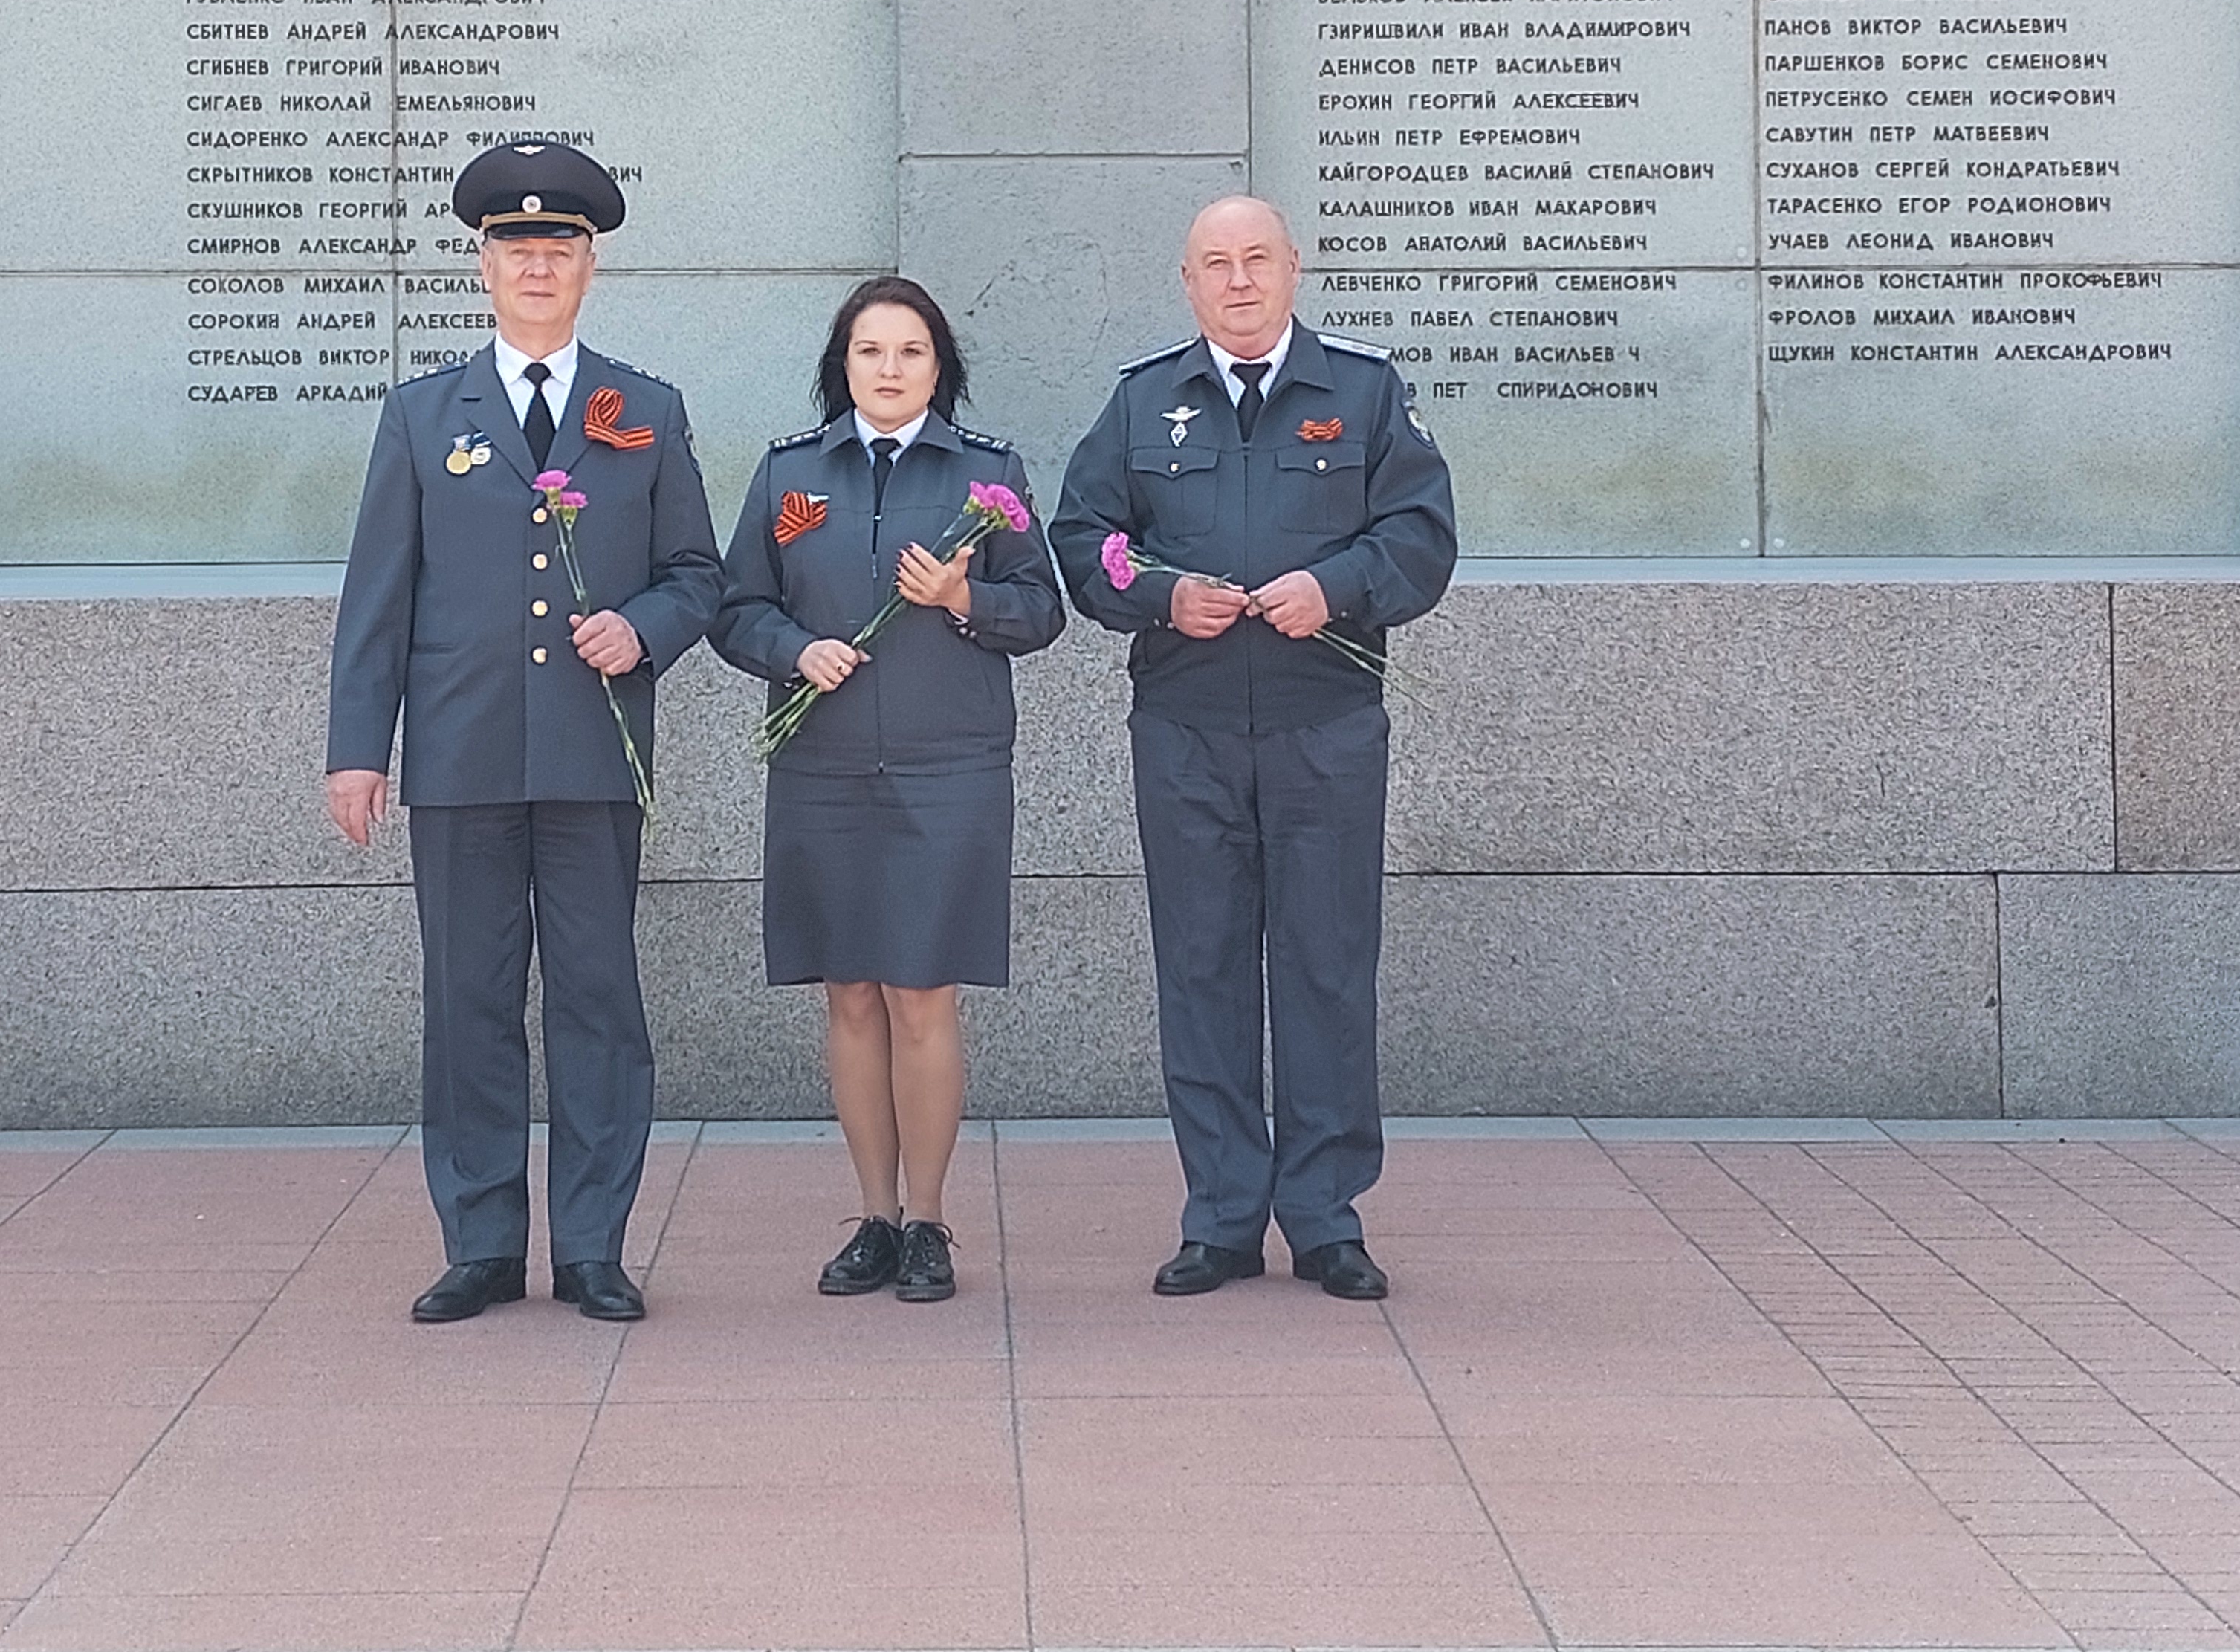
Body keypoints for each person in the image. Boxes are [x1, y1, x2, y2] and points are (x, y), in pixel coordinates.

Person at [325, 138, 723, 1326]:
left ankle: (593, 1244)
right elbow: (378, 597)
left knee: (599, 1001)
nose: (537, 265)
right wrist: (359, 747)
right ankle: (483, 1239)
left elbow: (698, 573)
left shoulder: (643, 413)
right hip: (459, 758)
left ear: (590, 265)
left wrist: (642, 629)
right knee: (470, 999)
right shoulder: (420, 415)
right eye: (515, 248)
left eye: (558, 247)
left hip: (595, 753)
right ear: (483, 268)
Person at [1051, 196, 1457, 1302]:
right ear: (1187, 282)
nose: (1238, 282)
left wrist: (1335, 587)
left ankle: (1325, 1217)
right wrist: (1159, 593)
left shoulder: (1365, 392)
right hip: (1186, 732)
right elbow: (1082, 538)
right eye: (1216, 265)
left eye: (1257, 260)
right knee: (1203, 968)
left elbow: (1421, 537)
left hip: (1324, 726)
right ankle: (1223, 1214)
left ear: (1294, 270)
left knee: (1326, 969)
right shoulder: (1144, 400)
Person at [711, 278, 1064, 1303]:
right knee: (850, 993)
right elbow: (736, 609)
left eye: (911, 351)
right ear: (844, 364)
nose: (891, 368)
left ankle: (928, 1221)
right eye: (871, 351)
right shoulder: (790, 475)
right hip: (822, 767)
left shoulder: (987, 475)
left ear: (939, 365)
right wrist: (795, 648)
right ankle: (871, 1214)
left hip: (946, 766)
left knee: (921, 991)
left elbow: (1042, 610)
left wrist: (963, 598)